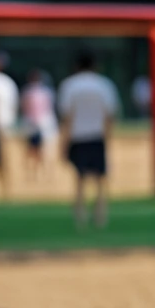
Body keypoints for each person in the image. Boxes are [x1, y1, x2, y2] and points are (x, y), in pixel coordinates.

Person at [57, 51, 121, 228]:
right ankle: (101, 216)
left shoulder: (69, 85)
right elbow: (110, 115)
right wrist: (107, 138)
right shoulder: (104, 85)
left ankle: (80, 217)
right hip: (97, 136)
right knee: (100, 179)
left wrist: (63, 144)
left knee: (79, 178)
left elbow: (67, 117)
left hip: (78, 136)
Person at [21, 68, 58, 179]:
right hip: (41, 123)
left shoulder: (28, 91)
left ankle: (36, 173)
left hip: (35, 123)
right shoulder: (46, 91)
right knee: (41, 150)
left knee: (35, 150)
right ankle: (44, 173)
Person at [0, 48, 19, 195]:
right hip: (3, 126)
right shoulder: (7, 83)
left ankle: (6, 189)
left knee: (4, 159)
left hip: (2, 127)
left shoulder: (6, 83)